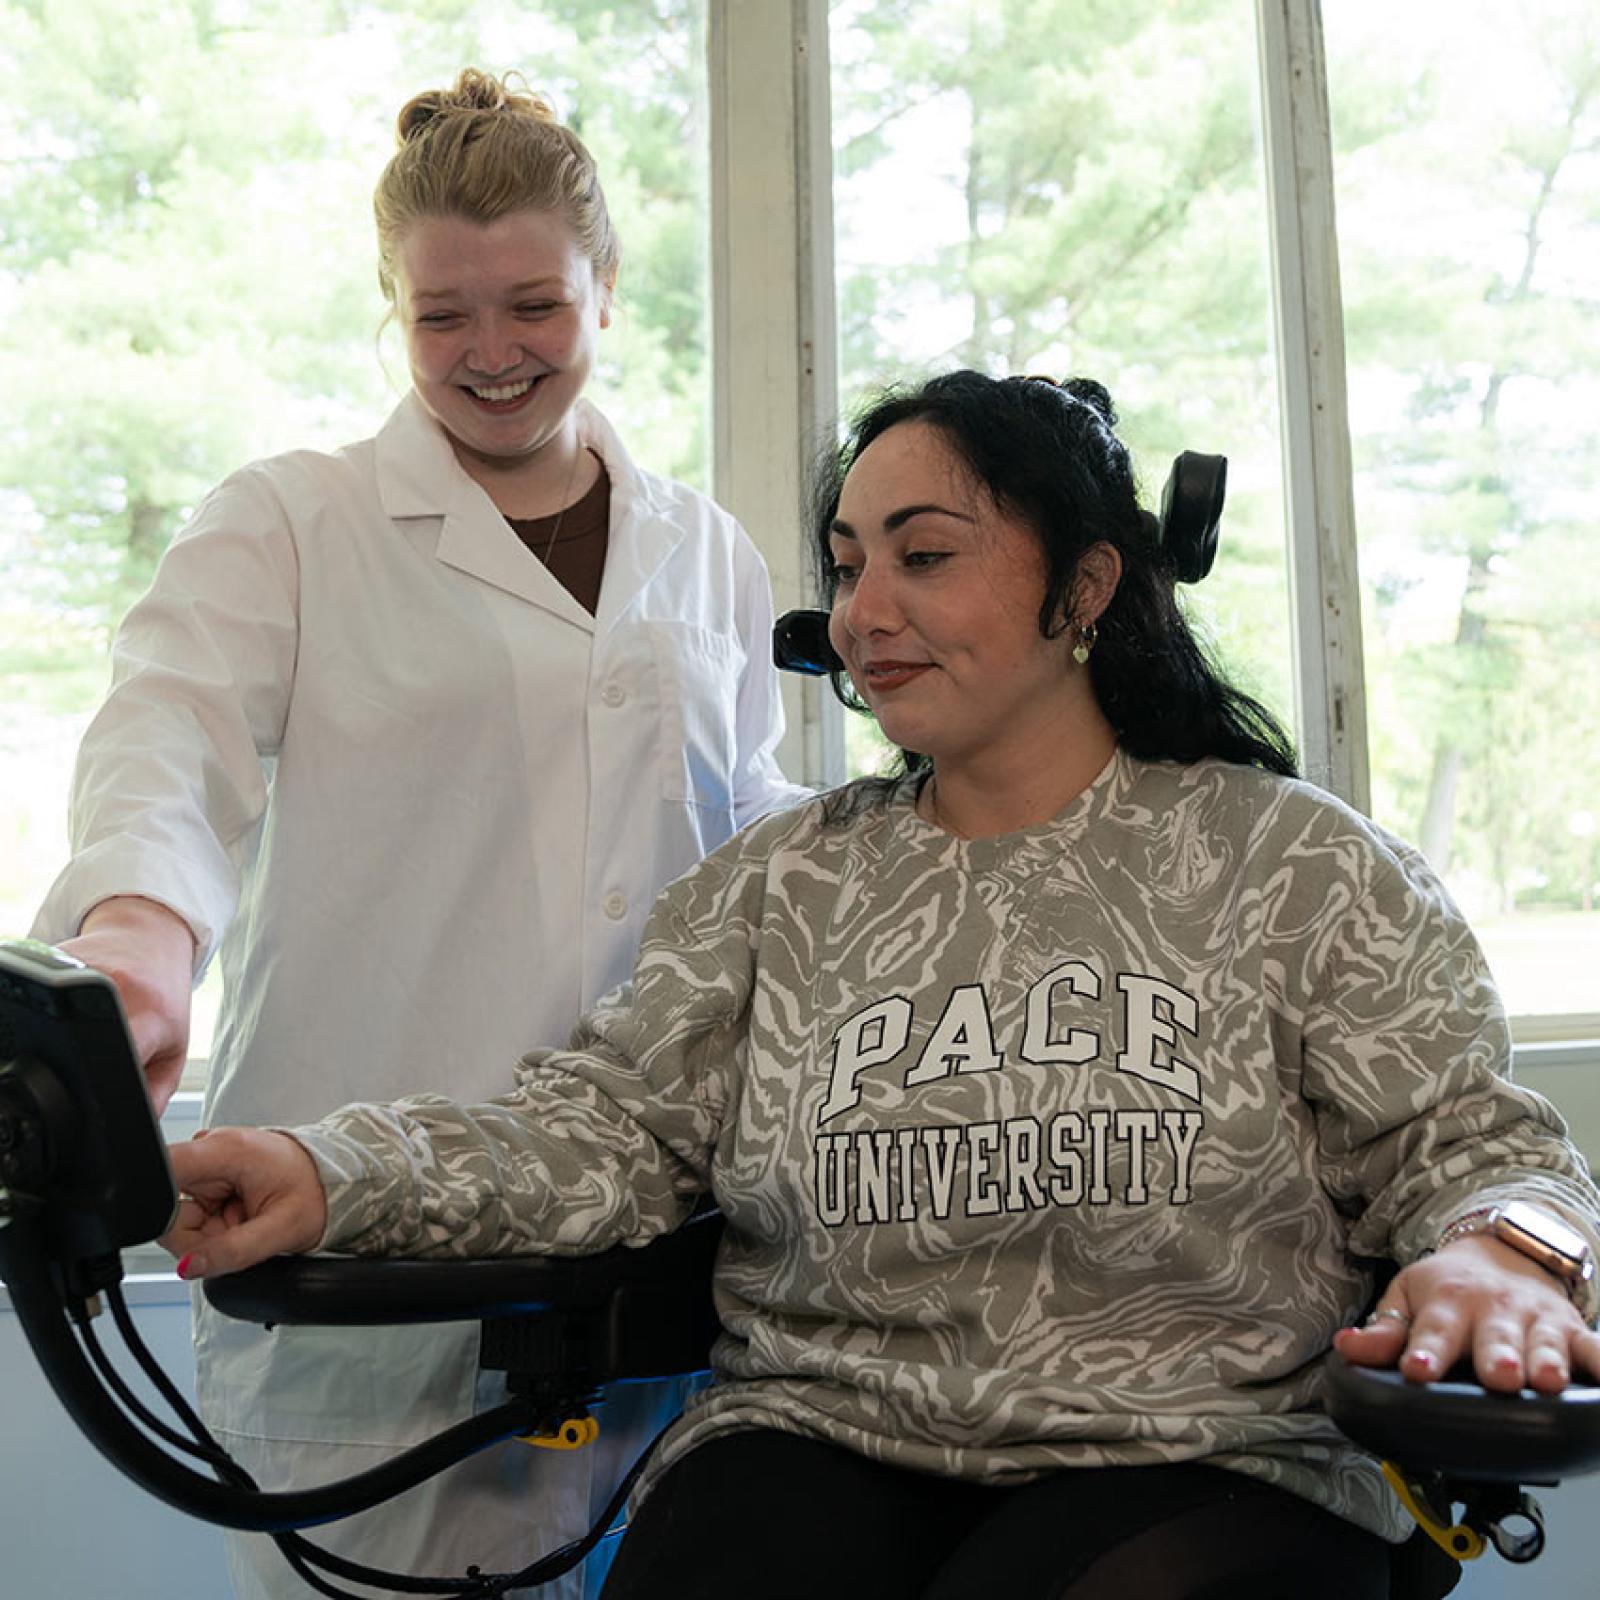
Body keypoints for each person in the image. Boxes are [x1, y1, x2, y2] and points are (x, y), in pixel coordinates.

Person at [161, 371, 1600, 1600]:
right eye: (848, 566)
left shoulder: (1294, 864)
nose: (864, 613)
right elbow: (597, 1134)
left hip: (1204, 1443)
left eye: (924, 556)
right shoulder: (783, 885)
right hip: (820, 1431)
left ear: (1085, 585)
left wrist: (1505, 1252)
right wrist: (324, 1166)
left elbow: (1477, 1146)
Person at [30, 68, 805, 1600]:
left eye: (534, 305)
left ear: (604, 289)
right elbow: (168, 740)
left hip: (643, 1245)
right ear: (392, 308)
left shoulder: (702, 548)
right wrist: (137, 931)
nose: (493, 354)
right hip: (367, 1235)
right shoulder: (292, 521)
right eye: (442, 316)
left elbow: (752, 833)